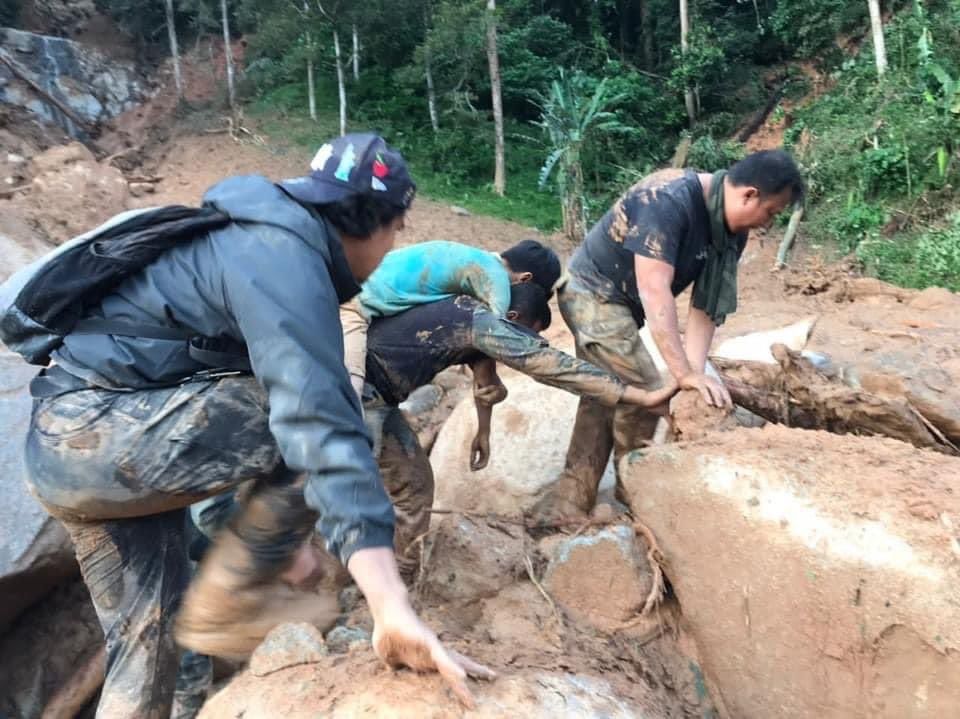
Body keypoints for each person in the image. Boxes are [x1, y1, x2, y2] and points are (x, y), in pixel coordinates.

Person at [21, 133, 493, 718]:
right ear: (375, 222)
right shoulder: (282, 256)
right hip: (97, 432)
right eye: (397, 229)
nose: (392, 245)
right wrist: (389, 604)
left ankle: (231, 591)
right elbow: (317, 423)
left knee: (146, 654)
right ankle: (234, 594)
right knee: (329, 406)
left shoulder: (252, 238)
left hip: (76, 452)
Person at [534, 150, 805, 519]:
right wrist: (681, 374)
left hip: (624, 305)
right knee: (645, 392)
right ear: (749, 195)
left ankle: (570, 499)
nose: (767, 224)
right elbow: (654, 288)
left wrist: (693, 374)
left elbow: (706, 306)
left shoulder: (730, 233)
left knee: (603, 393)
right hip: (591, 291)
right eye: (770, 212)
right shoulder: (668, 200)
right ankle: (640, 501)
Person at [356, 281, 677, 576]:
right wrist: (638, 395)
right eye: (524, 333)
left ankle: (388, 568)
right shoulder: (482, 323)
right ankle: (383, 575)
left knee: (411, 482)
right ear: (512, 317)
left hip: (374, 393)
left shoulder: (466, 315)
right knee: (383, 485)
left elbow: (486, 385)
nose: (521, 341)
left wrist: (483, 432)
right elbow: (545, 364)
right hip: (359, 392)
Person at [339, 238, 562, 399]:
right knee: (350, 394)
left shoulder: (474, 260)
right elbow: (498, 331)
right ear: (525, 279)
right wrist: (537, 343)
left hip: (356, 287)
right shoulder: (495, 278)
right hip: (353, 306)